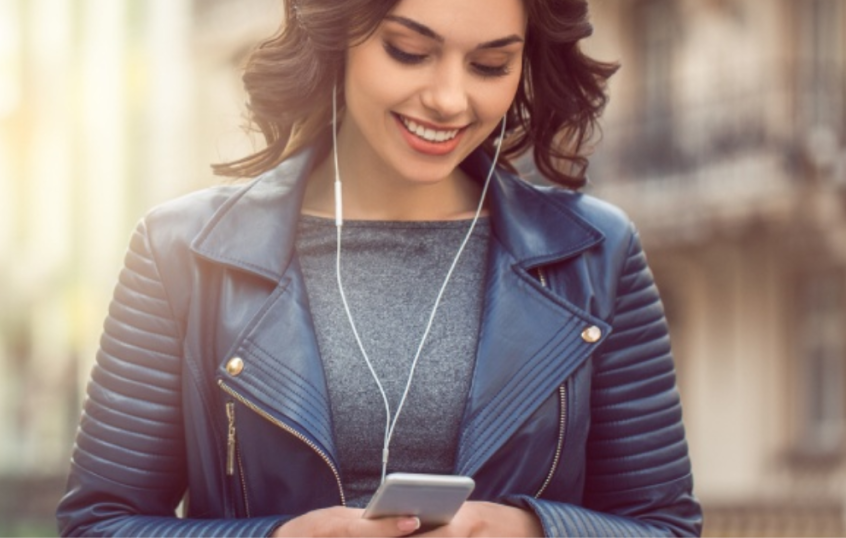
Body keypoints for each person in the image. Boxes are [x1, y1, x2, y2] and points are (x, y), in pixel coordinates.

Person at [56, 0, 703, 536]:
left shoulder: (595, 254)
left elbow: (665, 527)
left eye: (490, 64)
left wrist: (526, 530)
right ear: (337, 35)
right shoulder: (183, 254)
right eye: (408, 51)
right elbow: (98, 524)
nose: (449, 98)